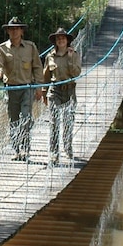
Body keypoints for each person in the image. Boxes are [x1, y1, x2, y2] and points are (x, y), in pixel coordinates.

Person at [0, 17, 44, 161]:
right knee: (13, 120)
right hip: (11, 89)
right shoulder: (2, 48)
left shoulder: (30, 47)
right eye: (11, 29)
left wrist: (39, 87)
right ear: (7, 31)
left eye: (17, 29)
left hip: (27, 88)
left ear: (22, 31)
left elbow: (38, 67)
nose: (14, 31)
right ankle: (16, 150)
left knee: (25, 118)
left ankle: (26, 149)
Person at [43, 27, 81, 164]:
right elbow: (45, 76)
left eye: (63, 38)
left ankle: (67, 147)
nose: (60, 40)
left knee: (68, 121)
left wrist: (70, 59)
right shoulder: (50, 56)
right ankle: (54, 153)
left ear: (67, 40)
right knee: (54, 122)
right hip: (54, 91)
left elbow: (76, 73)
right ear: (55, 41)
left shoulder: (74, 54)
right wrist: (43, 93)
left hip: (70, 91)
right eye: (58, 38)